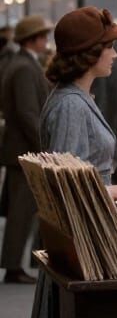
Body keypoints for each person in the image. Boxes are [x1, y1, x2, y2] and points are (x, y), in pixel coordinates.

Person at [23, 7, 117, 318]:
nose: (116, 55)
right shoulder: (70, 104)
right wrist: (111, 191)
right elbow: (64, 182)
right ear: (90, 54)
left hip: (92, 231)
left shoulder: (76, 98)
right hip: (84, 237)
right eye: (110, 47)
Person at [0, 15, 52, 284]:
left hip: (20, 149)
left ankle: (15, 263)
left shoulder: (23, 64)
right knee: (21, 212)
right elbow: (27, 113)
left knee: (22, 211)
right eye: (43, 36)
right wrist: (44, 147)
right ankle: (12, 265)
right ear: (33, 39)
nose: (46, 41)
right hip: (24, 151)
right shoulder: (23, 67)